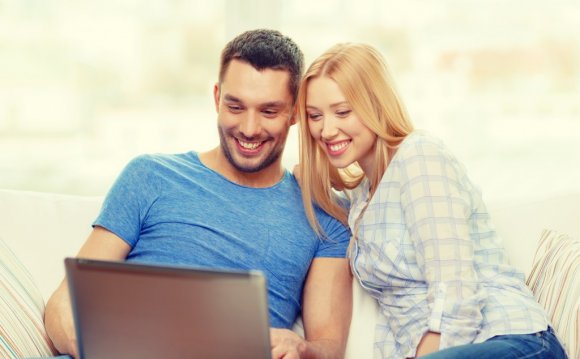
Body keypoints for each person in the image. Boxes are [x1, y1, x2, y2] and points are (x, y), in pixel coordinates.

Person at [44, 29, 352, 359]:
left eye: (268, 111)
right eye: (235, 106)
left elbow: (329, 347)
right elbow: (63, 303)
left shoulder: (324, 216)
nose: (249, 128)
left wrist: (300, 347)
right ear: (217, 97)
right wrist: (94, 347)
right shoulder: (150, 176)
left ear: (294, 113)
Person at [296, 43, 568, 359]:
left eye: (343, 112)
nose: (327, 130)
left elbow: (456, 293)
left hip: (510, 341)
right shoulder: (362, 203)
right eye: (315, 116)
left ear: (376, 105)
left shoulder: (419, 157)